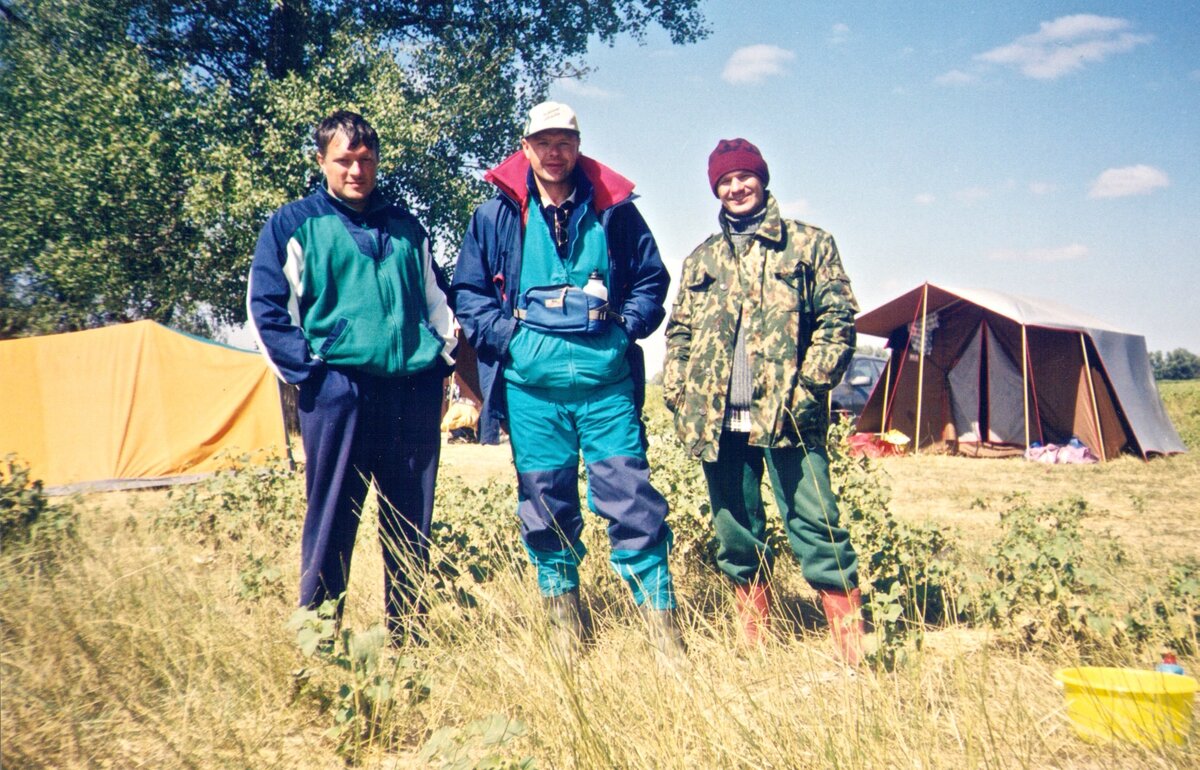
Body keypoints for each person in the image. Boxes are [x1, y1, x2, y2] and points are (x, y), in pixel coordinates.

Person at [451, 101, 684, 658]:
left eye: (565, 142)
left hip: (606, 391)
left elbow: (652, 279)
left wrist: (624, 330)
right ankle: (565, 629)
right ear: (525, 147)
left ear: (578, 147)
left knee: (633, 502)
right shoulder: (496, 215)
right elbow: (470, 292)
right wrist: (509, 340)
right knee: (545, 503)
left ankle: (663, 632)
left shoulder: (616, 211)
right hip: (533, 393)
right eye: (543, 142)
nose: (555, 153)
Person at [247, 110, 456, 643]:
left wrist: (438, 365)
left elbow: (439, 306)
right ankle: (318, 641)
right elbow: (268, 310)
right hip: (339, 394)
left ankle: (410, 642)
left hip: (410, 395)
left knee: (411, 523)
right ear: (321, 161)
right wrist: (315, 377)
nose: (356, 170)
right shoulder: (293, 225)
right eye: (344, 160)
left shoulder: (407, 228)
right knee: (334, 521)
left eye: (366, 160)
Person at [662, 138, 865, 664]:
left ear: (762, 178)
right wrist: (680, 389)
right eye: (725, 181)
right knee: (735, 530)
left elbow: (838, 321)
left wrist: (809, 388)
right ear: (716, 189)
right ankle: (753, 644)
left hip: (789, 415)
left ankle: (852, 650)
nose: (736, 187)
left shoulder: (809, 244)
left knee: (816, 522)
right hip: (718, 420)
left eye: (744, 177)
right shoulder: (701, 258)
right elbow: (679, 332)